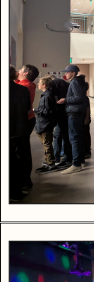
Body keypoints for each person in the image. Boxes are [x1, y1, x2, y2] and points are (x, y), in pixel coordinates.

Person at [10, 65, 35, 200]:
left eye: (21, 69)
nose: (18, 71)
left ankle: (22, 182)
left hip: (20, 123)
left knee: (20, 153)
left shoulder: (25, 86)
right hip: (21, 123)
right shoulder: (22, 86)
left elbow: (25, 108)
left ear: (25, 73)